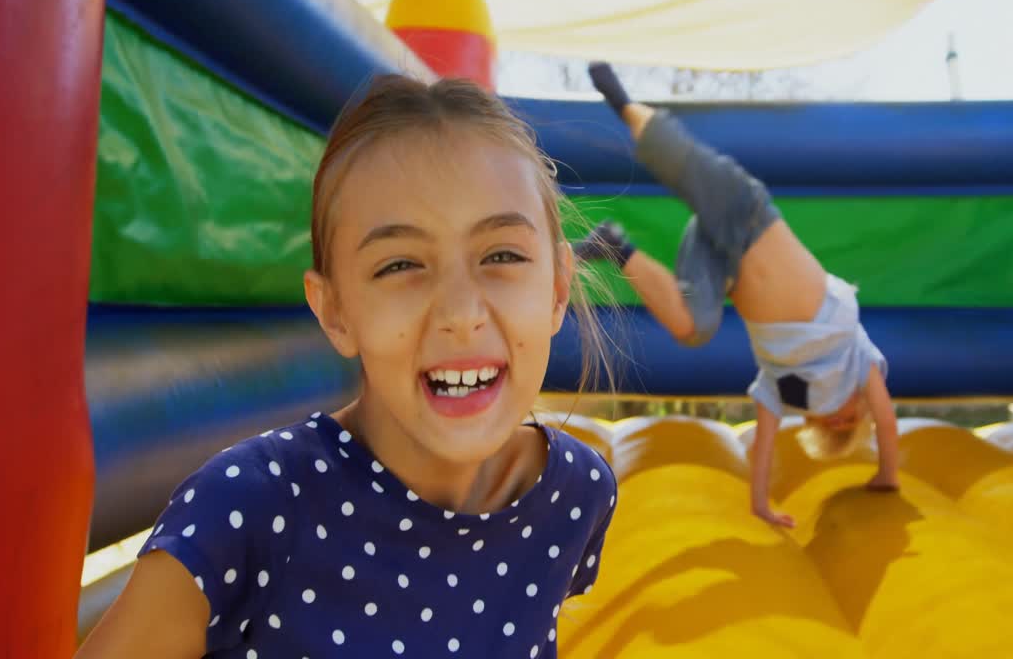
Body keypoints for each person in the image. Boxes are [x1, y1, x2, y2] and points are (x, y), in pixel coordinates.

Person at [76, 75, 618, 658]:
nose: (461, 314)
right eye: (401, 264)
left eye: (503, 255)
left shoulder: (576, 495)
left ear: (558, 288)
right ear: (334, 311)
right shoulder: (251, 508)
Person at [574, 62, 899, 529]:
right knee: (679, 164)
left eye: (833, 428)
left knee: (692, 327)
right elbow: (888, 424)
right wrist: (886, 475)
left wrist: (760, 505)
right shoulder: (858, 359)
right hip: (749, 217)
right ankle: (624, 104)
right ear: (862, 408)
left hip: (718, 262)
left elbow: (764, 443)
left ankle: (613, 245)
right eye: (853, 423)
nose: (841, 420)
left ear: (811, 422)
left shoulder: (781, 383)